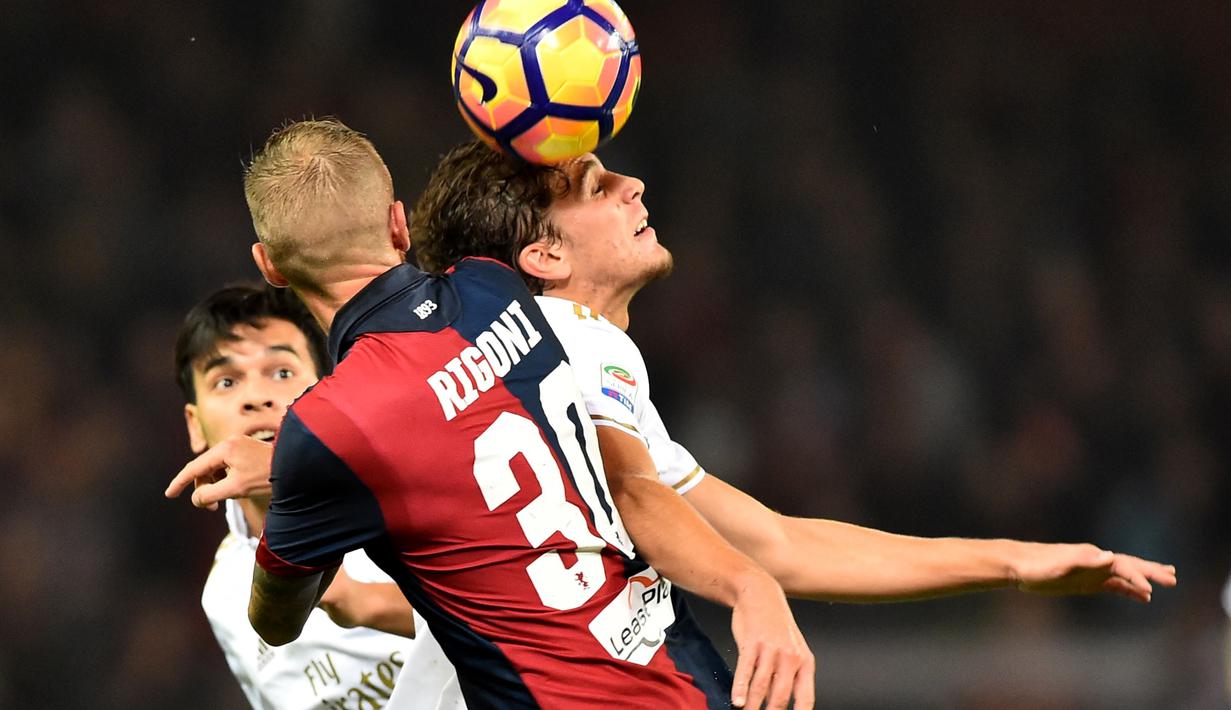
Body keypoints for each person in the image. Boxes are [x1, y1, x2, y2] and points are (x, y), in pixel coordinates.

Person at [169, 119, 812, 710]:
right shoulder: (495, 286)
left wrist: (291, 478)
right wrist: (748, 583)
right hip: (688, 682)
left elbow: (277, 621)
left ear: (271, 266)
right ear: (399, 225)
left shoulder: (327, 431)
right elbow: (628, 485)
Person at [404, 140, 1177, 606]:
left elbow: (776, 544)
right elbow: (751, 559)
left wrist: (1014, 561)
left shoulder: (551, 369)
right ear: (544, 257)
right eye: (595, 186)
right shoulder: (572, 334)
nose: (631, 186)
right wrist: (751, 597)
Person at [172, 283, 461, 709]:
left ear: (329, 389)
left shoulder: (409, 491)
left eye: (282, 372)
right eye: (227, 380)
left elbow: (522, 609)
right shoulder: (222, 594)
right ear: (195, 425)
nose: (256, 397)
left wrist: (364, 602)